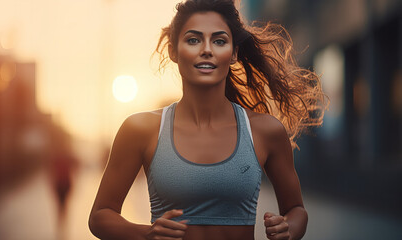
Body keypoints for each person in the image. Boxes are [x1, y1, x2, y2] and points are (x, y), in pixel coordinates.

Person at [89, 0, 328, 239]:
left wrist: (288, 228)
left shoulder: (265, 131)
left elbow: (296, 210)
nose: (206, 49)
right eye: (193, 40)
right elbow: (100, 215)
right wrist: (145, 234)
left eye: (219, 40)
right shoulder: (141, 129)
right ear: (173, 50)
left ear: (233, 52)